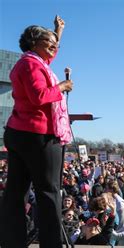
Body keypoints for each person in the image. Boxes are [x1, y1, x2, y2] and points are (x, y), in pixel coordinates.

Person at [0, 15, 73, 248]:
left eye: (56, 43)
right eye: (49, 42)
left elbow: (48, 60)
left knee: (16, 193)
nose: (54, 46)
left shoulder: (32, 62)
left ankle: (13, 241)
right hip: (38, 137)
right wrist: (62, 86)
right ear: (33, 43)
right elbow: (39, 96)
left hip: (20, 133)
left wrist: (56, 32)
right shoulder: (31, 64)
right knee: (49, 192)